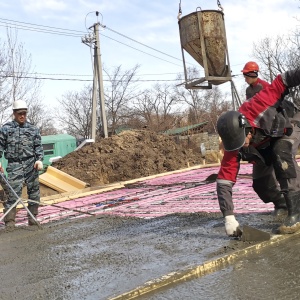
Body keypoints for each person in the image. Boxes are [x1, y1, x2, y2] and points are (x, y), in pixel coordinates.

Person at [216, 68, 300, 237]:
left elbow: (282, 80)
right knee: (261, 184)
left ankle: (296, 212)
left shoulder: (259, 104)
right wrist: (229, 218)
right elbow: (224, 180)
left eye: (243, 140)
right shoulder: (234, 142)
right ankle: (282, 204)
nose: (242, 146)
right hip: (263, 144)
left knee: (281, 152)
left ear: (247, 128)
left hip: (288, 126)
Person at [0, 100, 44, 229]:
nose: (22, 116)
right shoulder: (6, 129)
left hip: (31, 164)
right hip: (14, 165)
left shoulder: (33, 129)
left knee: (34, 193)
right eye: (20, 113)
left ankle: (33, 219)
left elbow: (38, 147)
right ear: (14, 113)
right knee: (13, 194)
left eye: (24, 113)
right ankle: (10, 222)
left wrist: (39, 159)